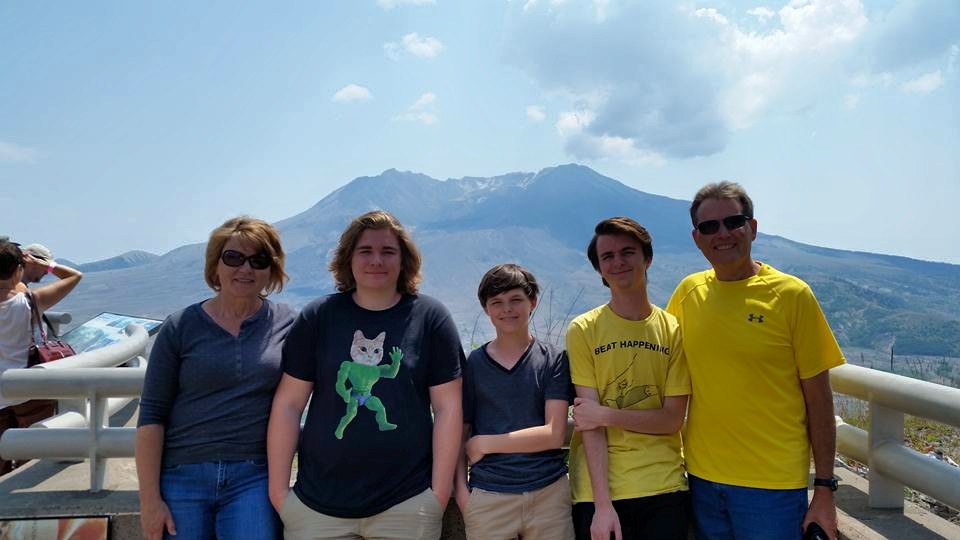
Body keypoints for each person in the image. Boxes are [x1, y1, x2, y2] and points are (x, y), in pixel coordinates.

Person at [267, 210, 463, 540]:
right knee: (350, 414)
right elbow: (289, 404)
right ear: (348, 258)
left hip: (407, 505)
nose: (376, 260)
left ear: (404, 260)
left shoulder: (430, 317)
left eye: (388, 251)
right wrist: (280, 494)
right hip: (316, 508)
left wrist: (438, 495)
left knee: (376, 409)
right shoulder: (319, 316)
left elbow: (449, 407)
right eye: (365, 251)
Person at [666, 182, 845, 540]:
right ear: (697, 238)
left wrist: (824, 487)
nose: (722, 233)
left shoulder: (792, 295)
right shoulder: (688, 293)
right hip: (701, 479)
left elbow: (819, 398)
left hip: (773, 486)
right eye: (709, 226)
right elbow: (659, 363)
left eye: (733, 221)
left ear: (753, 227)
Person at [135, 216, 295, 540]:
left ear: (272, 269)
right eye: (233, 257)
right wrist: (149, 501)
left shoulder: (288, 324)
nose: (245, 269)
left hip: (254, 476)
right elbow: (152, 414)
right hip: (182, 475)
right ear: (215, 264)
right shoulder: (181, 326)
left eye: (258, 260)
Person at [565, 217, 691, 540]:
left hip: (664, 486)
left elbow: (672, 419)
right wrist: (602, 505)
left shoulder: (673, 330)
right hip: (598, 493)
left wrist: (607, 415)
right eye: (607, 256)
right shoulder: (584, 330)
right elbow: (589, 425)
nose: (618, 262)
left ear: (647, 258)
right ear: (599, 269)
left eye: (627, 252)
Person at [455, 263, 574, 540]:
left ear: (533, 302)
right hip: (488, 496)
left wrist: (485, 443)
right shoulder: (474, 364)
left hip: (549, 494)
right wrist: (461, 491)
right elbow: (461, 430)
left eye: (516, 299)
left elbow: (554, 434)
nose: (507, 309)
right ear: (486, 309)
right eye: (496, 302)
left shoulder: (553, 359)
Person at [0, 239, 83, 475]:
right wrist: (46, 265)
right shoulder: (29, 302)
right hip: (28, 388)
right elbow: (75, 276)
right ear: (19, 269)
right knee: (32, 453)